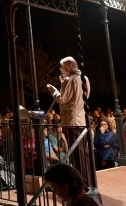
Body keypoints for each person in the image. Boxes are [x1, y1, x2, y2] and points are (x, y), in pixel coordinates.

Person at [46, 56, 93, 185]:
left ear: (67, 67)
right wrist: (63, 84)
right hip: (81, 120)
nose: (62, 71)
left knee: (78, 155)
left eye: (62, 68)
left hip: (72, 122)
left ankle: (83, 183)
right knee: (84, 153)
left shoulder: (69, 79)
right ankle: (88, 180)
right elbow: (80, 96)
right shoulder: (84, 78)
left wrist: (53, 91)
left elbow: (62, 99)